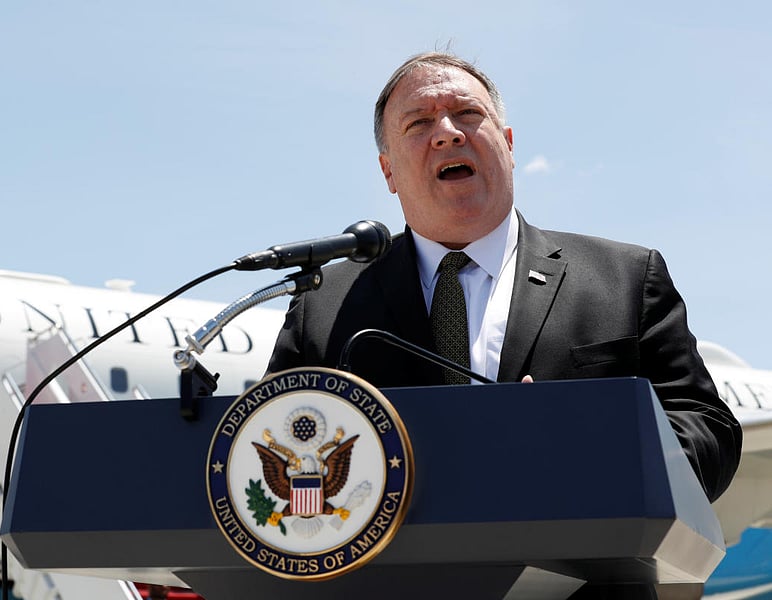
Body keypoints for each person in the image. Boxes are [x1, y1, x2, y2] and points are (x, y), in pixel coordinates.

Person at [266, 52, 742, 599]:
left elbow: (708, 428)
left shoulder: (626, 277)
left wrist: (595, 449)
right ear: (388, 171)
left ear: (509, 144)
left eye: (468, 114)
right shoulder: (323, 303)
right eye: (419, 123)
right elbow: (274, 446)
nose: (448, 132)